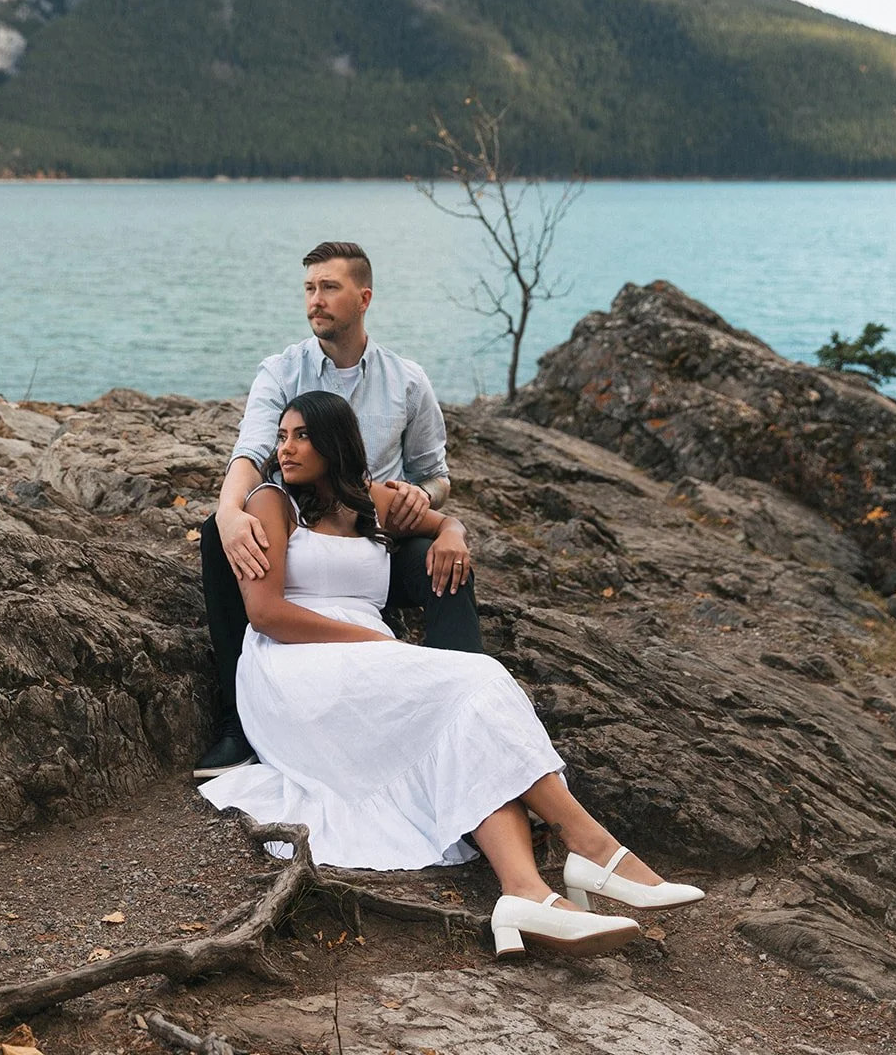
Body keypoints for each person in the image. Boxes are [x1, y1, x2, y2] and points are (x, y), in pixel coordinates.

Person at [200, 392, 705, 960]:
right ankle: (589, 844)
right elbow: (265, 613)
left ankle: (524, 892)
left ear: (334, 441)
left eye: (300, 436)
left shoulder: (372, 502)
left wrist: (453, 533)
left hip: (366, 663)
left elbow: (446, 521)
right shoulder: (271, 502)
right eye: (282, 436)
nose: (285, 448)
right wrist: (373, 641)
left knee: (470, 712)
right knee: (479, 680)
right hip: (293, 666)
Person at [197, 240, 483, 778]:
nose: (316, 300)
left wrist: (434, 507)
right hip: (301, 540)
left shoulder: (407, 381)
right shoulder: (282, 371)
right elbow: (253, 452)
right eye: (309, 288)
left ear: (363, 297)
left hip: (379, 537)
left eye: (329, 287)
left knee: (447, 567)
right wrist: (231, 510)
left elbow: (435, 474)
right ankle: (241, 722)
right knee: (218, 533)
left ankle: (460, 708)